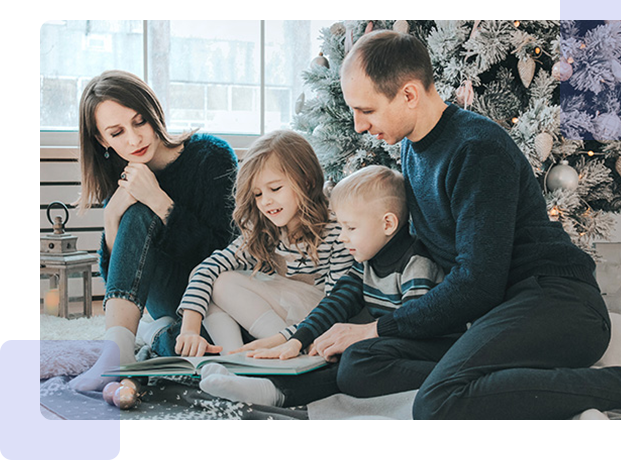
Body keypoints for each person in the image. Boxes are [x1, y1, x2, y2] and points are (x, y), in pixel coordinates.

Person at [332, 29, 621, 419]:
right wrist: (302, 337)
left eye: (367, 110)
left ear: (409, 95)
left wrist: (376, 328)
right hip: (493, 314)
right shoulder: (412, 151)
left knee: (437, 404)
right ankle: (495, 381)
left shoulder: (477, 149)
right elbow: (390, 256)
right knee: (359, 364)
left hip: (556, 302)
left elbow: (477, 283)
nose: (359, 125)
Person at [198, 165, 450, 407]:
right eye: (340, 226)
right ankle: (264, 386)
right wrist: (298, 339)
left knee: (353, 360)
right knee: (336, 350)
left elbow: (412, 325)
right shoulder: (367, 262)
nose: (342, 236)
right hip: (392, 342)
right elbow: (336, 302)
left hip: (431, 348)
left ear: (387, 224)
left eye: (350, 228)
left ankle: (275, 393)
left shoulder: (416, 264)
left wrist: (355, 342)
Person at [69, 70, 238, 392]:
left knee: (203, 345)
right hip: (165, 297)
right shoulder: (124, 177)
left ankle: (154, 334)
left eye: (139, 122)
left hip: (216, 295)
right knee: (134, 211)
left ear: (154, 113)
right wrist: (112, 215)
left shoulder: (211, 156)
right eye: (117, 133)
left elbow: (225, 252)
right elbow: (119, 279)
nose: (133, 140)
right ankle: (116, 352)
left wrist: (160, 202)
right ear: (102, 140)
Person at [174, 130, 354, 362]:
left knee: (222, 283)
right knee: (214, 280)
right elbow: (206, 269)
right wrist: (189, 329)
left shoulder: (336, 231)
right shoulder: (265, 230)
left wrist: (287, 338)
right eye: (258, 194)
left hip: (317, 324)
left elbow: (336, 305)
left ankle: (283, 354)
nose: (265, 201)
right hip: (279, 322)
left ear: (307, 181)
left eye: (275, 189)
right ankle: (233, 359)